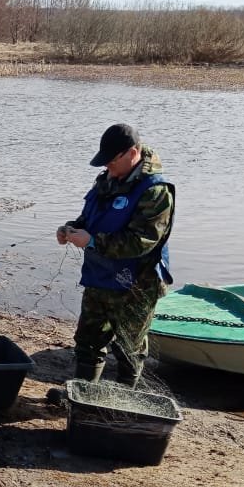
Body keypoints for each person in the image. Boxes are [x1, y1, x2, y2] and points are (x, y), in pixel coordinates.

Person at [56, 123, 175, 386]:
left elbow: (141, 242)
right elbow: (90, 218)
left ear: (132, 153)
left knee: (128, 348)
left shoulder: (156, 191)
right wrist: (71, 229)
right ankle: (84, 394)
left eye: (111, 161)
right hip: (100, 277)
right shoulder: (107, 180)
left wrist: (92, 241)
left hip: (136, 284)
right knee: (88, 341)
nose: (107, 167)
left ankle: (122, 399)